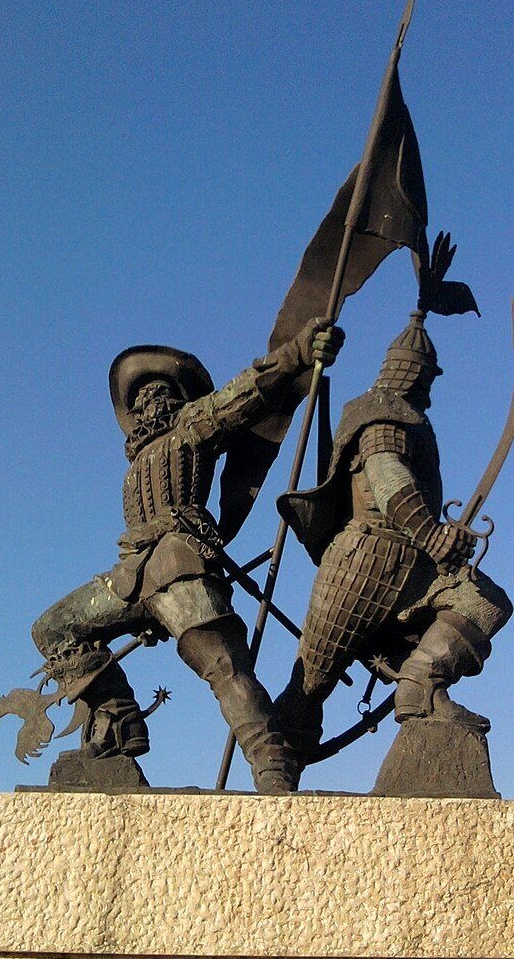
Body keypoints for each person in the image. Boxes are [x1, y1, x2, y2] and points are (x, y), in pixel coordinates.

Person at [30, 317, 343, 794]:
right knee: (53, 629)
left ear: (177, 397)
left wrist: (297, 353)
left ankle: (271, 759)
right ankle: (118, 723)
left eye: (157, 390)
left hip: (180, 563)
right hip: (131, 575)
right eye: (138, 396)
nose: (146, 400)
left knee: (223, 667)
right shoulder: (138, 458)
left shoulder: (194, 426)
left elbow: (246, 393)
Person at [273, 306, 512, 778]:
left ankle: (420, 684)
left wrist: (439, 543)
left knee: (484, 602)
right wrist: (432, 534)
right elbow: (388, 478)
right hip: (363, 563)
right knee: (311, 684)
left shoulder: (410, 419)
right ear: (412, 373)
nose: (428, 388)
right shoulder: (383, 415)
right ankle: (276, 763)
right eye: (426, 377)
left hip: (413, 566)